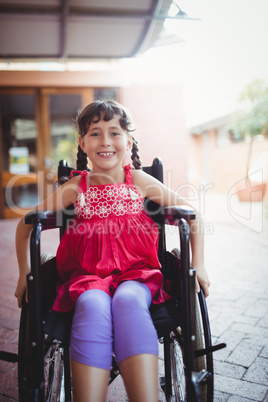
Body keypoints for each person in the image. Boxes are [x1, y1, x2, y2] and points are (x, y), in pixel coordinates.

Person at [15, 99, 210, 402]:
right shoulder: (75, 187)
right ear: (82, 142)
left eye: (115, 133)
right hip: (87, 278)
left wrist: (199, 264)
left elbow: (191, 216)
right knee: (93, 304)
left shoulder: (140, 181)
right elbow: (26, 225)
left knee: (129, 300)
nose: (105, 141)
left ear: (128, 141)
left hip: (137, 276)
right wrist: (23, 274)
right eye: (95, 133)